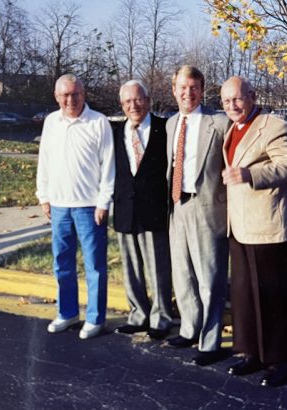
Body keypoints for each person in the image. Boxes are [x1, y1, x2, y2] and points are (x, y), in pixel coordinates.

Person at [220, 76, 287, 387]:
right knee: (244, 296)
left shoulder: (272, 125)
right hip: (239, 226)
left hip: (267, 226)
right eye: (226, 101)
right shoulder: (232, 129)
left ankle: (279, 361)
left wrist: (250, 174)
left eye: (237, 99)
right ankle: (251, 353)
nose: (232, 106)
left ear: (252, 97)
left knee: (270, 297)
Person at [36, 73, 115, 340]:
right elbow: (44, 162)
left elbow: (108, 166)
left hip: (89, 207)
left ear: (84, 94)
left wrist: (104, 201)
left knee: (94, 265)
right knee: (62, 263)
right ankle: (67, 312)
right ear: (57, 97)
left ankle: (95, 318)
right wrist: (43, 196)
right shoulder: (51, 122)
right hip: (59, 206)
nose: (70, 100)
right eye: (64, 95)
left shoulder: (98, 122)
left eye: (75, 94)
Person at [165, 65, 230, 366]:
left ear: (202, 90)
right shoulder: (171, 124)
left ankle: (210, 341)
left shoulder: (218, 123)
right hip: (179, 206)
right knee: (183, 275)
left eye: (193, 87)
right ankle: (190, 329)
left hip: (207, 208)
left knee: (209, 279)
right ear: (174, 89)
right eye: (182, 87)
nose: (187, 93)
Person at [111, 80, 173, 340]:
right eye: (127, 102)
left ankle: (161, 318)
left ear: (148, 101)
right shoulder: (114, 132)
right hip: (125, 208)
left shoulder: (164, 128)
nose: (133, 106)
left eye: (138, 100)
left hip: (154, 209)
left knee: (158, 268)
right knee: (131, 267)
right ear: (122, 105)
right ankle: (138, 314)